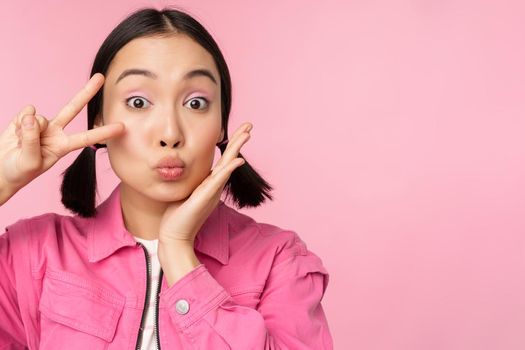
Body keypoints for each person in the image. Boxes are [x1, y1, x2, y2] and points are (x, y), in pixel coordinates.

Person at [0, 7, 332, 350]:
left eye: (196, 102)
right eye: (139, 101)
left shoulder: (279, 260)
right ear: (99, 121)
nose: (170, 133)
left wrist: (178, 253)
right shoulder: (31, 254)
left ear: (221, 123)